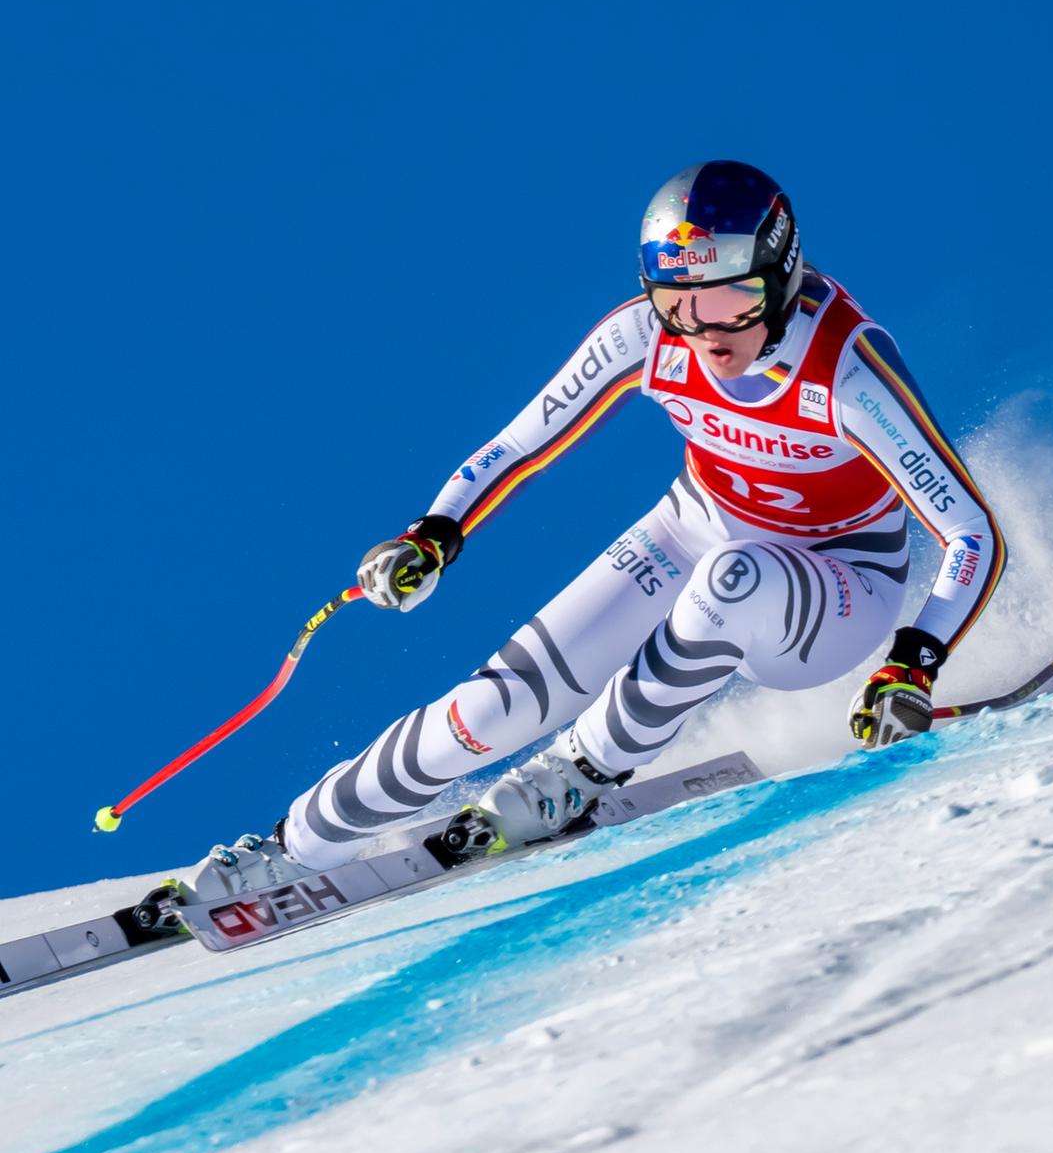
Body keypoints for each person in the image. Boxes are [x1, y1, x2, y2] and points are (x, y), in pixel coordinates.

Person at [180, 160, 1006, 899]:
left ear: (781, 277)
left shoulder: (847, 370)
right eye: (678, 302)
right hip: (693, 526)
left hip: (838, 583)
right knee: (488, 711)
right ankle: (293, 847)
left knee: (735, 581)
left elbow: (972, 533)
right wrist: (433, 533)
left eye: (729, 299)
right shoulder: (647, 338)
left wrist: (912, 663)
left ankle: (578, 773)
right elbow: (522, 442)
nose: (704, 330)